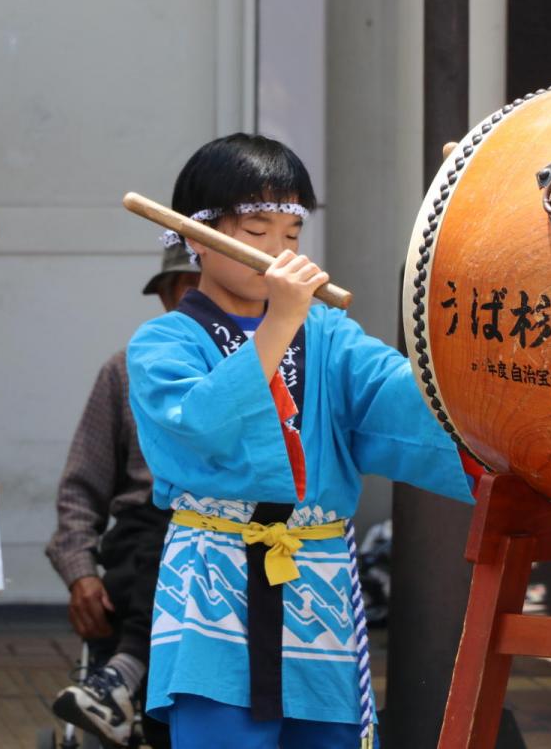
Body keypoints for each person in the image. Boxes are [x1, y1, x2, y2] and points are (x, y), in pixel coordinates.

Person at [125, 133, 478, 748]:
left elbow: (403, 403)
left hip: (317, 583)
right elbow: (199, 425)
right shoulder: (162, 345)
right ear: (195, 239)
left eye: (291, 233)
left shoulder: (331, 334)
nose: (280, 250)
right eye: (256, 232)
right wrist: (282, 322)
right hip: (216, 578)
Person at [46, 243, 199, 747]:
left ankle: (125, 674)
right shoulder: (125, 370)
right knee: (162, 521)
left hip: (231, 540)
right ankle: (126, 677)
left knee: (189, 517)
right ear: (166, 301)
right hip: (142, 545)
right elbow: (79, 491)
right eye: (188, 290)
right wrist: (80, 573)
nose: (202, 302)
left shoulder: (268, 368)